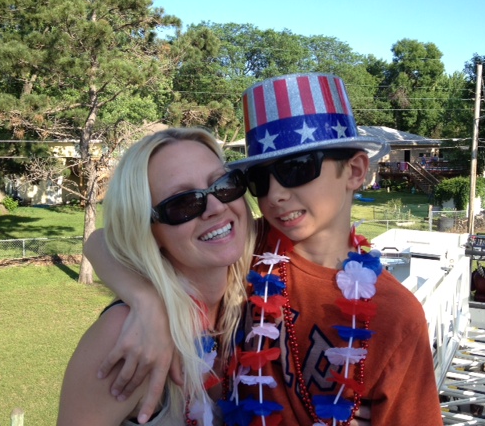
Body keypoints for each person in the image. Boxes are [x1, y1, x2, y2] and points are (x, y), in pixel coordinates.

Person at [89, 73, 443, 425]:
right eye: (258, 178)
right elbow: (102, 241)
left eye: (296, 169)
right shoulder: (247, 247)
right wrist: (147, 302)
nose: (275, 195)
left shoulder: (396, 317)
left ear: (354, 170)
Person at [57, 128, 255, 425]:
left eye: (224, 184)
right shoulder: (126, 335)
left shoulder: (260, 280)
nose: (216, 207)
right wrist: (146, 301)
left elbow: (97, 241)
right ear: (148, 231)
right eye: (183, 203)